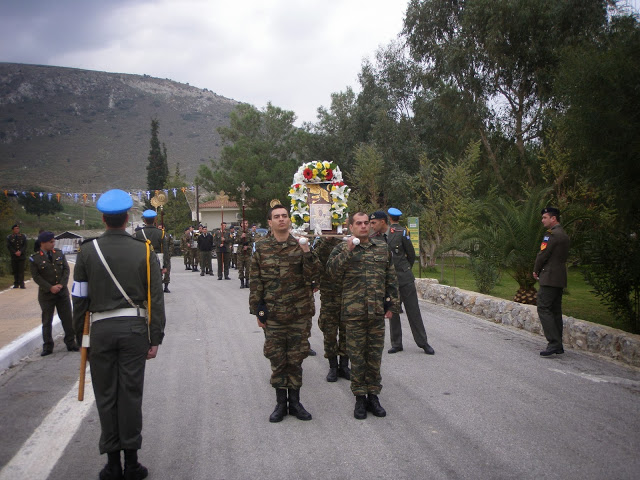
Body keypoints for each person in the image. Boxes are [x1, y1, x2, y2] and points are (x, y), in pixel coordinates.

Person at [72, 189, 165, 480]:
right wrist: (156, 337)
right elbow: (155, 299)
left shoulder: (87, 251)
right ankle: (133, 463)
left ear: (103, 218)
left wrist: (80, 338)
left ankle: (112, 464)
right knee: (130, 395)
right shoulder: (145, 250)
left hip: (100, 331)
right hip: (134, 330)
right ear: (127, 218)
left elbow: (79, 299)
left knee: (106, 394)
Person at [249, 204, 320, 422]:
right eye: (276, 217)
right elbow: (256, 281)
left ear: (289, 220)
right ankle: (281, 403)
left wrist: (307, 251)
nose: (281, 219)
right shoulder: (261, 248)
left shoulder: (300, 245)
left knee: (296, 357)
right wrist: (258, 311)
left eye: (285, 216)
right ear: (269, 223)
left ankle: (296, 403)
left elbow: (315, 274)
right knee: (277, 358)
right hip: (274, 314)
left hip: (299, 313)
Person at [327, 212, 399, 419]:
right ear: (351, 227)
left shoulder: (382, 248)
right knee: (357, 358)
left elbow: (390, 278)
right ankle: (360, 398)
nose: (364, 226)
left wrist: (392, 305)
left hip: (376, 312)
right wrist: (348, 251)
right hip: (354, 313)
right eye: (358, 223)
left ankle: (374, 396)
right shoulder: (342, 248)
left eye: (367, 223)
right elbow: (331, 273)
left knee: (374, 357)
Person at [369, 208, 435, 355]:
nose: (371, 226)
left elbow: (411, 254)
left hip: (404, 279)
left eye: (373, 223)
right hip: (388, 282)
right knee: (393, 311)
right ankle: (396, 343)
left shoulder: (399, 233)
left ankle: (423, 342)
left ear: (382, 221)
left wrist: (405, 270)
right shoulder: (374, 238)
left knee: (413, 311)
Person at [29, 231, 79, 356]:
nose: (53, 244)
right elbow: (36, 277)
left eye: (53, 241)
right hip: (47, 294)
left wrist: (61, 284)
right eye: (50, 242)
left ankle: (71, 342)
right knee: (47, 320)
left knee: (67, 318)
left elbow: (66, 270)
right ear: (43, 243)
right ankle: (47, 346)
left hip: (61, 292)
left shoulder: (59, 253)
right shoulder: (35, 258)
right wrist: (50, 287)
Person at [533, 207, 570, 357]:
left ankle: (553, 343)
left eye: (545, 218)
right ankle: (558, 344)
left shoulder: (551, 235)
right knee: (555, 310)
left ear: (553, 219)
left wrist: (536, 269)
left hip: (549, 277)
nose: (542, 220)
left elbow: (543, 255)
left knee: (543, 307)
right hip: (560, 277)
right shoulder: (564, 235)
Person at [313, 235, 350, 382]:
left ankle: (344, 365)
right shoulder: (320, 242)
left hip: (347, 291)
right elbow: (315, 262)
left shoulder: (347, 241)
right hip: (329, 293)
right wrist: (325, 241)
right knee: (329, 330)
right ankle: (333, 366)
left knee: (346, 330)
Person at [134, 210, 169, 282]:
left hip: (143, 260)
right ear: (155, 219)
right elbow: (165, 250)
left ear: (144, 220)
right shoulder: (161, 233)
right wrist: (165, 266)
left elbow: (136, 250)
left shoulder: (139, 233)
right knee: (157, 282)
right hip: (157, 260)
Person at [7, 223, 28, 289]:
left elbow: (25, 245)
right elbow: (9, 246)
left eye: (18, 228)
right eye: (16, 228)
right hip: (14, 256)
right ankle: (16, 284)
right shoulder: (10, 237)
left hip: (21, 256)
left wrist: (20, 251)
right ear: (13, 230)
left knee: (21, 271)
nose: (17, 230)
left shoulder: (22, 236)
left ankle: (22, 284)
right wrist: (15, 252)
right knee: (15, 270)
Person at [237, 219, 253, 289]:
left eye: (246, 223)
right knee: (240, 268)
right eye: (243, 224)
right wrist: (241, 237)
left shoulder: (249, 232)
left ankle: (247, 281)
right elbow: (235, 241)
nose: (245, 225)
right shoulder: (238, 232)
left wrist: (248, 247)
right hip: (240, 252)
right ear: (241, 224)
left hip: (247, 253)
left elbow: (252, 242)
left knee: (248, 268)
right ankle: (241, 282)